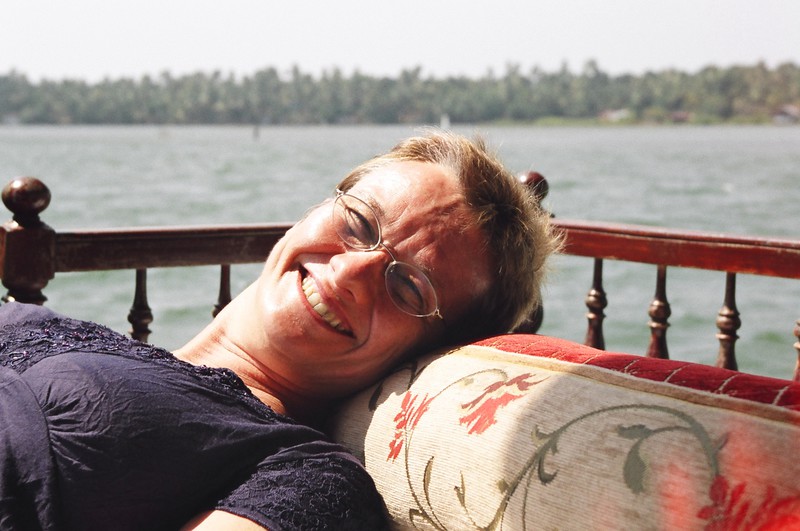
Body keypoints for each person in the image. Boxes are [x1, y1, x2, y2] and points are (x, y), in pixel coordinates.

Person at [0, 130, 559, 530]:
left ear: (427, 351)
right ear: (317, 208)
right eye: (359, 223)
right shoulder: (47, 324)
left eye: (408, 288)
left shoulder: (307, 480)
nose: (351, 271)